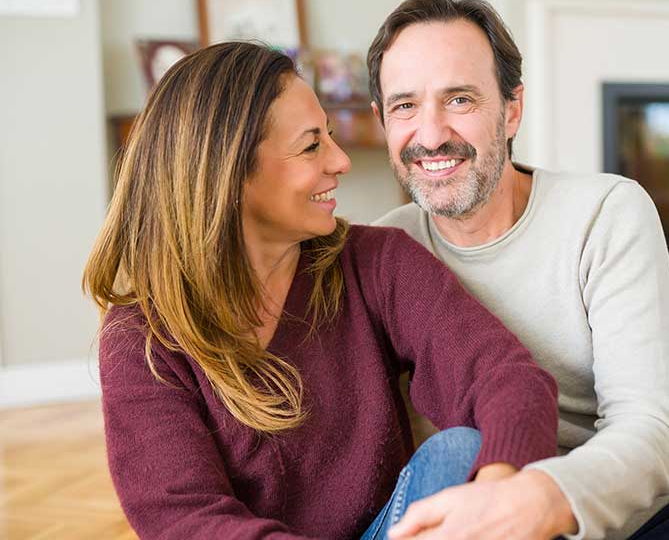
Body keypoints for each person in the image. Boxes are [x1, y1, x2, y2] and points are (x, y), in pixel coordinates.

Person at [368, 0, 669, 540]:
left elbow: (648, 432)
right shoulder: (384, 253)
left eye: (460, 99)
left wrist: (537, 497)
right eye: (405, 105)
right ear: (381, 119)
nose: (429, 134)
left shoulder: (605, 211)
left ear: (512, 108)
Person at [82, 41, 560, 539]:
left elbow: (504, 375)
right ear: (229, 171)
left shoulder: (376, 263)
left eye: (330, 137)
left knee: (459, 454)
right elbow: (184, 520)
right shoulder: (142, 338)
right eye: (311, 145)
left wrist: (502, 492)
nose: (341, 162)